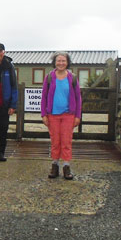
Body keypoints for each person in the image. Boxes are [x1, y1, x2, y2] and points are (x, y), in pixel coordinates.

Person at [40, 52, 82, 180]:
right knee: (55, 141)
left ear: (67, 62)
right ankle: (55, 166)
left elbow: (78, 98)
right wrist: (44, 114)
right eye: (59, 60)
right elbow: (44, 97)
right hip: (52, 115)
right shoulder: (49, 77)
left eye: (63, 61)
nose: (61, 63)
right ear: (55, 62)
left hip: (69, 115)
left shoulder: (72, 78)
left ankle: (66, 166)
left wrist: (77, 116)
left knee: (66, 141)